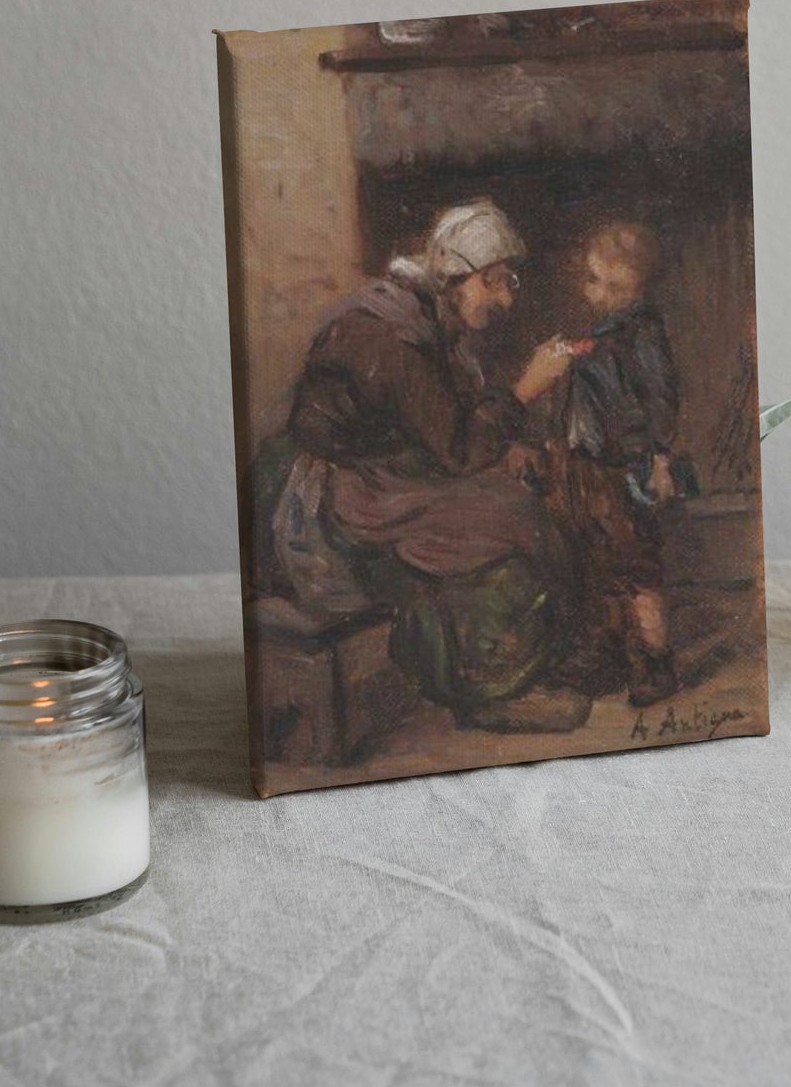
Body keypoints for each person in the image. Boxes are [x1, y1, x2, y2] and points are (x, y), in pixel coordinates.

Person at [284, 201, 585, 732]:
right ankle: (491, 688)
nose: (506, 299)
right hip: (348, 493)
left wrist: (505, 445)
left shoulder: (432, 321)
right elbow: (458, 448)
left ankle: (529, 661)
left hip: (395, 476)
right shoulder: (392, 334)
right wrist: (525, 389)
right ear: (454, 277)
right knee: (507, 521)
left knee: (517, 498)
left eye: (508, 282)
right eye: (493, 283)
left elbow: (448, 423)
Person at [546, 221, 681, 706]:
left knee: (637, 566)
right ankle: (609, 654)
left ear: (640, 289)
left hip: (629, 466)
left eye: (615, 286)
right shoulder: (605, 332)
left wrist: (660, 457)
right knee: (601, 563)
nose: (599, 293)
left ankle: (655, 660)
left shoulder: (642, 332)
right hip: (591, 467)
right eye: (594, 280)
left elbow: (662, 397)